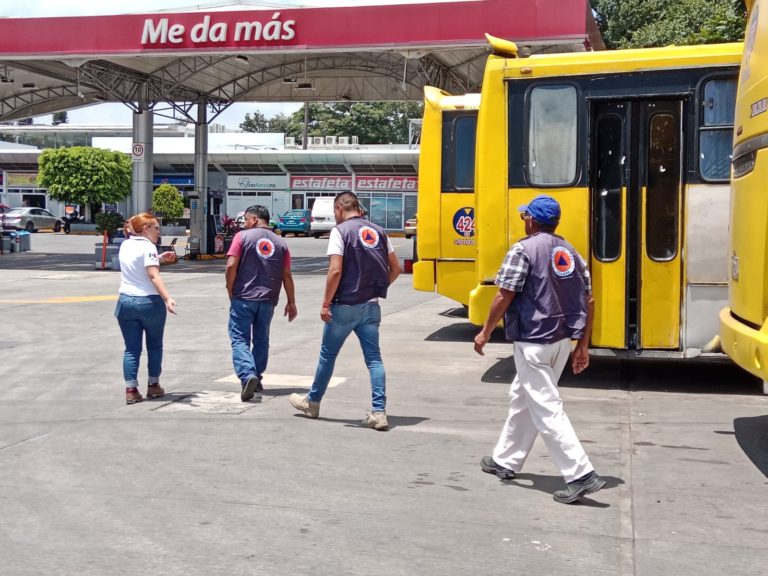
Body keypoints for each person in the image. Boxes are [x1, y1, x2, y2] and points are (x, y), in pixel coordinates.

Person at [473, 195, 605, 504]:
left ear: (531, 220)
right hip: (561, 342)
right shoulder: (572, 253)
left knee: (546, 407)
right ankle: (505, 460)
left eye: (525, 217)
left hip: (533, 341)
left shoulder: (523, 250)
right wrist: (582, 345)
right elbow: (589, 301)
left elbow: (504, 294)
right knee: (522, 397)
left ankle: (580, 474)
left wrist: (485, 331)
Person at [290, 192, 401, 431]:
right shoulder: (379, 231)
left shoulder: (340, 231)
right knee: (374, 359)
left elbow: (335, 270)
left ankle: (313, 402)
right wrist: (376, 289)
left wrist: (325, 303)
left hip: (344, 306)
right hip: (371, 306)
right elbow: (396, 268)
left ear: (339, 209)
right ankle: (379, 412)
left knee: (328, 355)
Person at [226, 205, 297, 403]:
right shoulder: (281, 243)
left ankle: (248, 374)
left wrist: (230, 288)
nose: (244, 224)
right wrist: (291, 301)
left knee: (239, 339)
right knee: (261, 340)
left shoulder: (242, 237)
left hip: (243, 297)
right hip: (268, 300)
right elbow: (287, 275)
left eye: (246, 219)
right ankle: (256, 378)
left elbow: (231, 265)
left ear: (255, 219)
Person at [115, 213, 177, 405]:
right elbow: (152, 275)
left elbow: (137, 265)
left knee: (131, 349)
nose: (159, 232)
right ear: (145, 229)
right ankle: (153, 385)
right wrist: (167, 298)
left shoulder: (125, 244)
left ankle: (131, 390)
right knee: (154, 345)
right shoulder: (148, 246)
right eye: (156, 228)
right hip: (149, 302)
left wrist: (159, 258)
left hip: (125, 301)